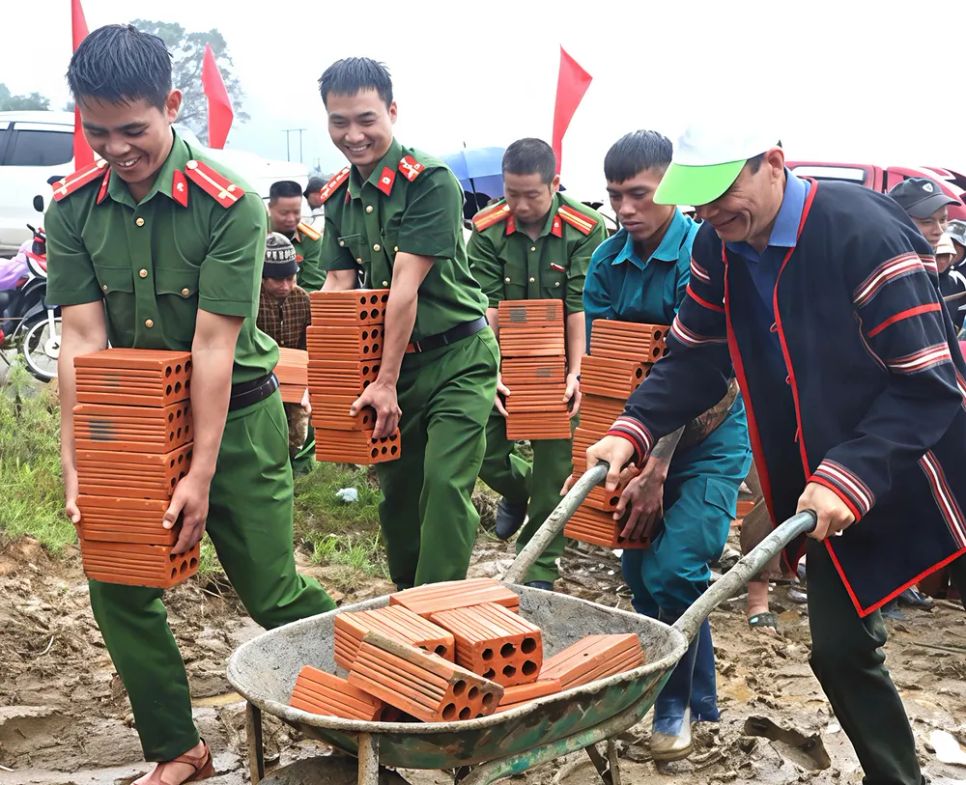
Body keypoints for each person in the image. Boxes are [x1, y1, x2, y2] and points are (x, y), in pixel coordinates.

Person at [578, 121, 966, 785]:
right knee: (839, 651)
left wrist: (849, 474)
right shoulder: (718, 244)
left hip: (914, 463)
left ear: (774, 163)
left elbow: (929, 386)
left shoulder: (862, 234)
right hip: (824, 482)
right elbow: (695, 357)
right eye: (698, 199)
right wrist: (632, 427)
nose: (709, 212)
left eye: (722, 191)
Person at [45, 25, 336, 785]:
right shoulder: (73, 209)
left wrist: (200, 474)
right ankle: (179, 749)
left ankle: (366, 707)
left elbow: (213, 346)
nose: (116, 149)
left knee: (272, 591)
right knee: (117, 584)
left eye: (132, 129)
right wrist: (78, 458)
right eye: (97, 132)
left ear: (172, 105)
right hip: (136, 422)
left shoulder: (228, 204)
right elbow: (82, 339)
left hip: (236, 419)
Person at [582, 129, 752, 759]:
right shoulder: (606, 262)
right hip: (638, 436)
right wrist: (620, 454)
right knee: (642, 576)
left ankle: (671, 706)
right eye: (614, 196)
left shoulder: (700, 255)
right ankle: (700, 697)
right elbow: (610, 370)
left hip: (710, 434)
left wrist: (655, 468)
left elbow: (694, 371)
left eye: (639, 193)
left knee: (678, 568)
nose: (626, 208)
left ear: (671, 190)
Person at [316, 57, 498, 589]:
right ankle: (406, 598)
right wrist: (329, 377)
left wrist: (385, 380)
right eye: (339, 122)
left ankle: (436, 606)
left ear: (392, 112)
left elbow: (404, 288)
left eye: (366, 119)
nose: (353, 135)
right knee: (398, 494)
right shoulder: (338, 195)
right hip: (394, 367)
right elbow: (337, 287)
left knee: (443, 485)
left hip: (458, 358)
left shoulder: (429, 181)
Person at [467, 137, 606, 589]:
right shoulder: (486, 229)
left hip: (560, 360)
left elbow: (579, 306)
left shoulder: (584, 228)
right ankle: (516, 488)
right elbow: (486, 307)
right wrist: (492, 371)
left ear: (554, 184)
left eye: (532, 195)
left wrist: (575, 373)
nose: (521, 205)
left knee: (555, 466)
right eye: (512, 194)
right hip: (503, 353)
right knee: (483, 448)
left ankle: (539, 566)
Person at [256, 232, 313, 461]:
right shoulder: (251, 301)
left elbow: (310, 344)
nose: (286, 286)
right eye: (278, 280)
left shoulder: (303, 299)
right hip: (260, 379)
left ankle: (299, 466)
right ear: (262, 277)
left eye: (290, 278)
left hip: (297, 379)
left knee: (300, 435)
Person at [267, 180, 325, 292]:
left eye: (296, 212)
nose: (291, 219)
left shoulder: (311, 240)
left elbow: (313, 286)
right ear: (270, 208)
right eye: (284, 213)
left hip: (299, 301)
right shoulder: (256, 236)